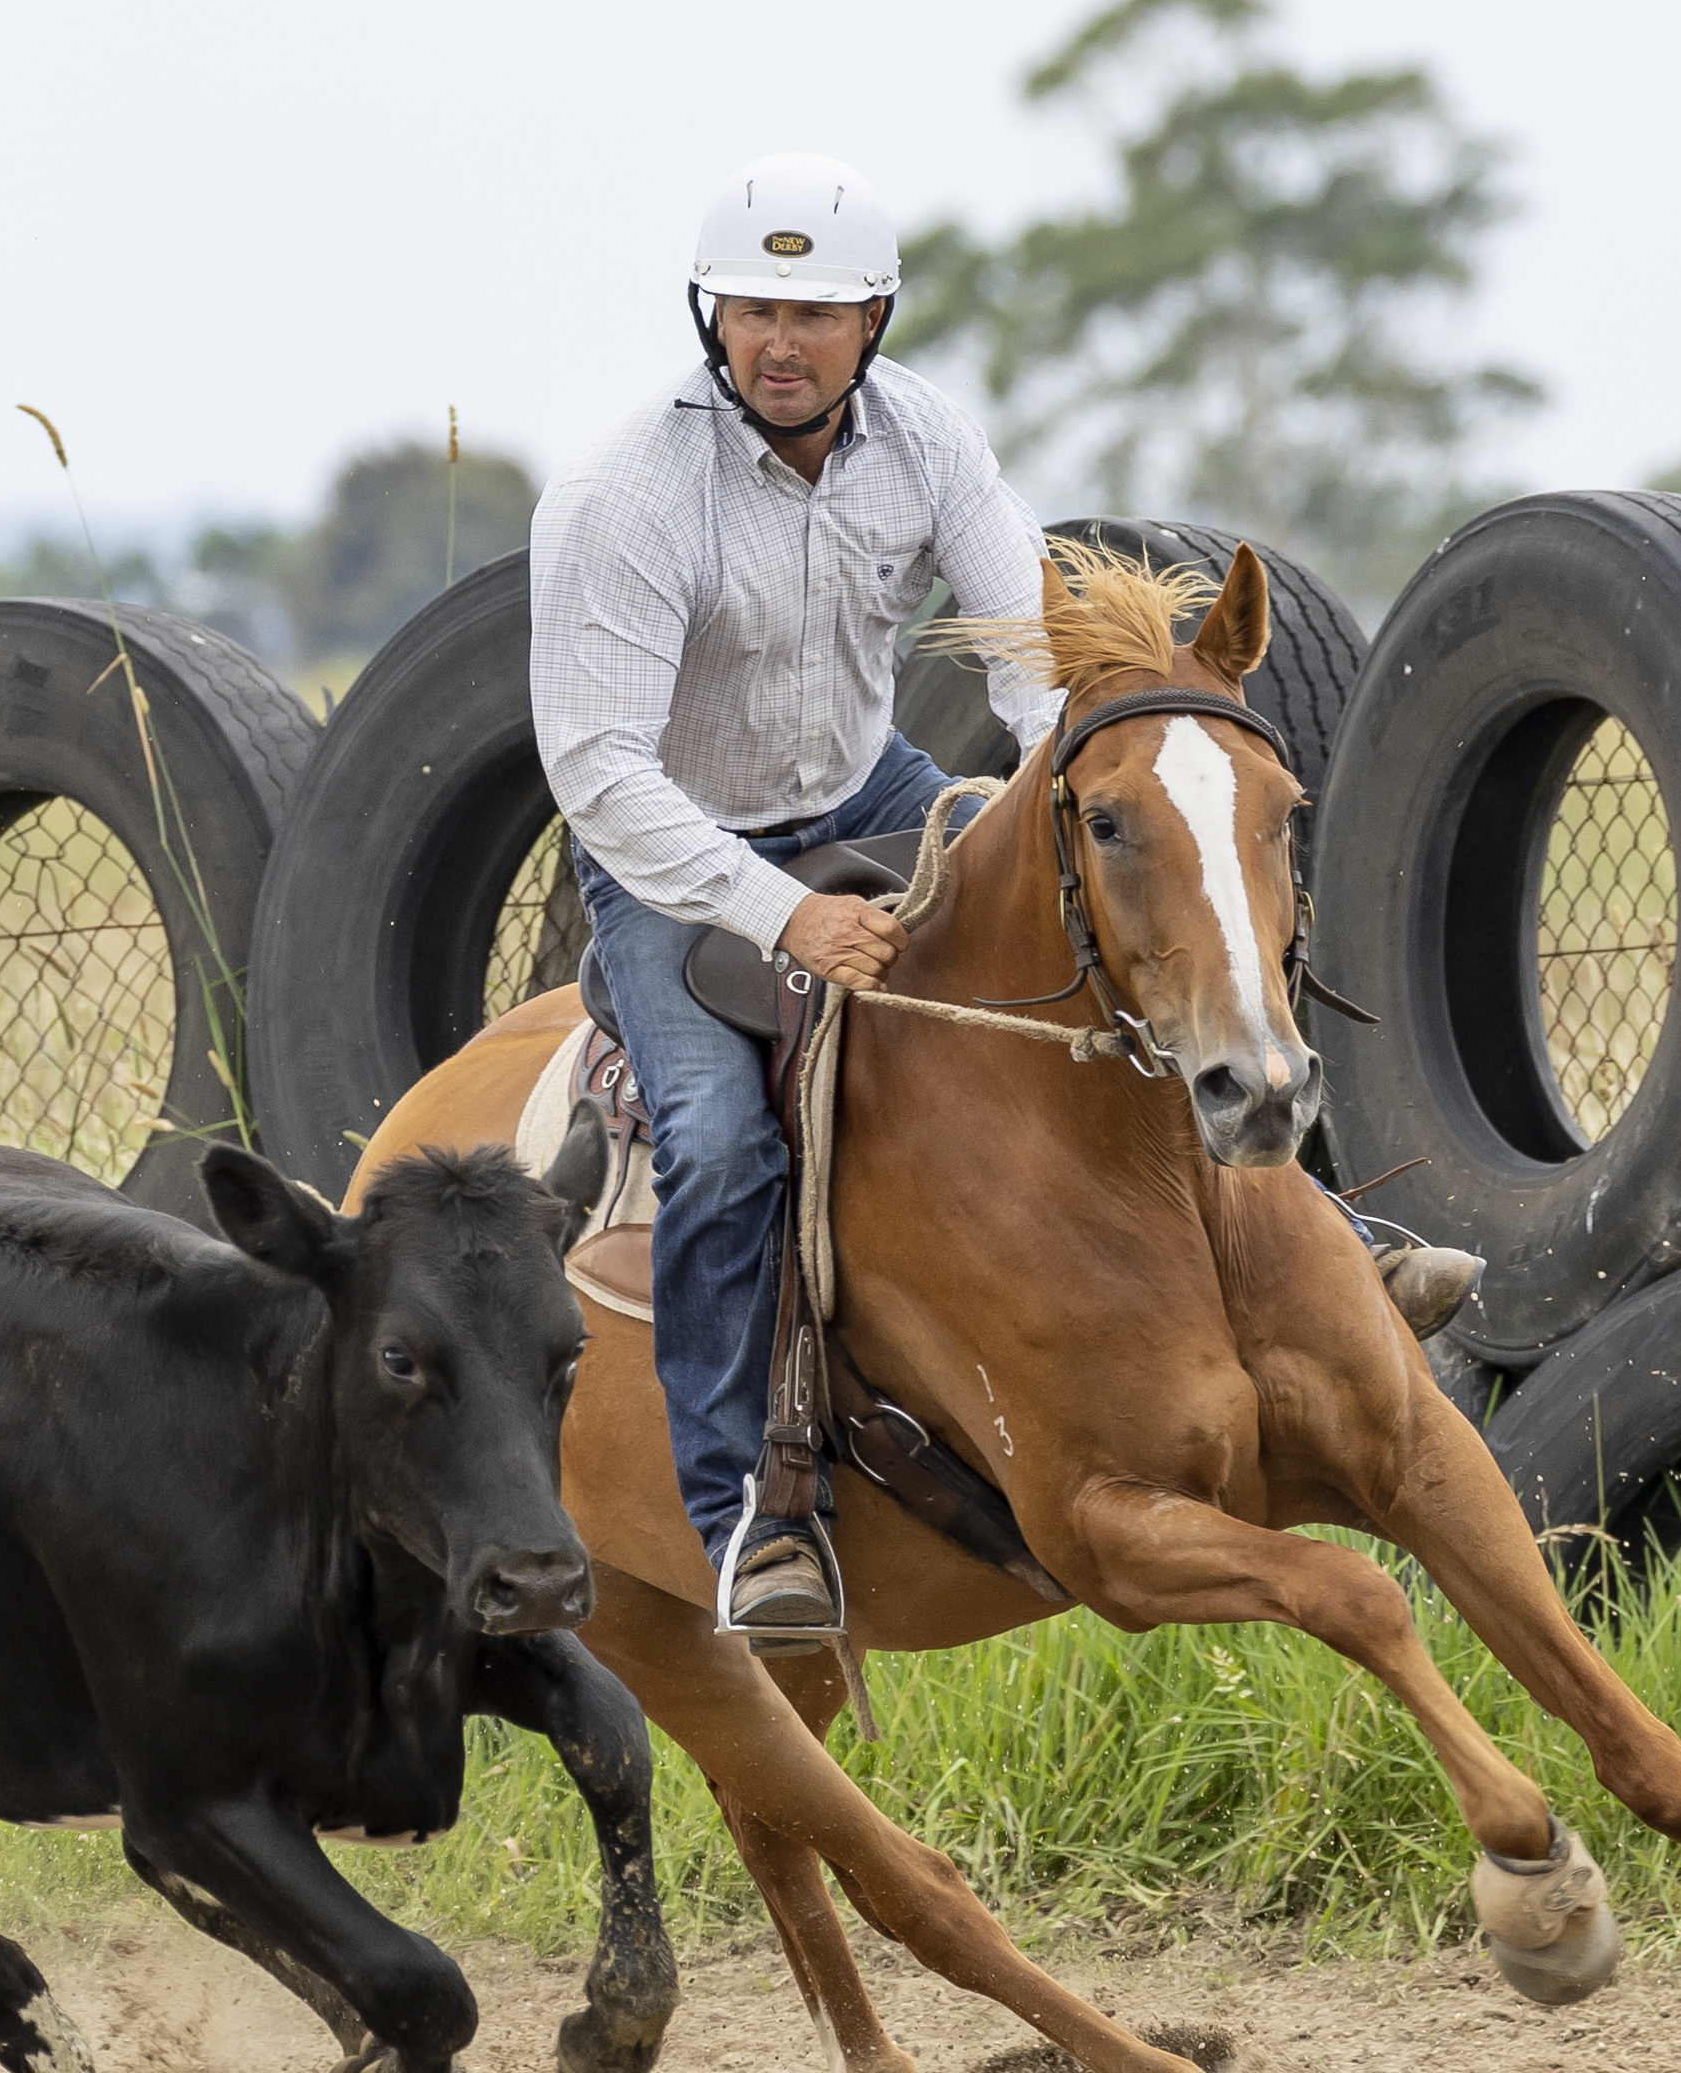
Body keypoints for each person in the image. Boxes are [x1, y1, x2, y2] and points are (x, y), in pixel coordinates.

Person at [531, 152, 1474, 1638]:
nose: (779, 342)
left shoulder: (924, 439)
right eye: (752, 310)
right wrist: (786, 916)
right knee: (716, 1140)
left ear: (874, 320)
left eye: (816, 314)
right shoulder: (625, 497)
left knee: (1133, 938)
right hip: (677, 847)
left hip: (868, 789)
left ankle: (1329, 1241)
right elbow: (598, 770)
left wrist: (1087, 768)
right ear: (710, 317)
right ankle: (751, 1516)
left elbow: (1038, 653)